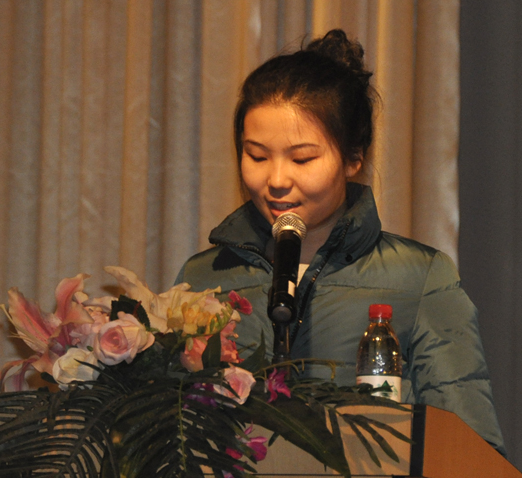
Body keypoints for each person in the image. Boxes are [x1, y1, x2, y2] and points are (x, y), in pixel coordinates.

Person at [175, 29, 505, 454]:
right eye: (257, 155)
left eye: (302, 158)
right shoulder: (203, 278)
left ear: (353, 157)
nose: (276, 180)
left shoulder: (420, 279)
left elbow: (471, 452)